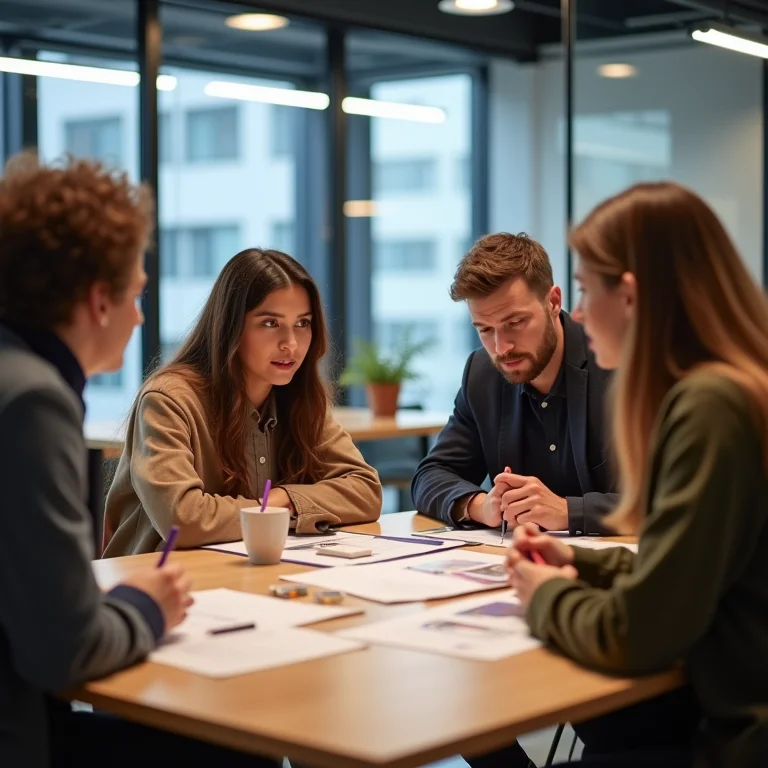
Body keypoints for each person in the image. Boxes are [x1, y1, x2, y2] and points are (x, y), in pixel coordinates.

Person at [0, 153, 277, 767]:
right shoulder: (32, 403)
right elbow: (63, 649)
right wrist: (148, 604)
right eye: (136, 294)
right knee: (241, 739)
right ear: (101, 300)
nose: (139, 316)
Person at [507, 182, 768, 767]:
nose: (575, 313)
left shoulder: (710, 406)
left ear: (628, 295)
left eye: (583, 290)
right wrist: (581, 561)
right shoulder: (740, 386)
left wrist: (548, 595)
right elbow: (695, 566)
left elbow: (636, 633)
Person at [103, 248, 382, 557]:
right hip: (158, 584)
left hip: (255, 575)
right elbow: (182, 520)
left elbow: (366, 491)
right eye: (270, 323)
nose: (290, 343)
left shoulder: (300, 397)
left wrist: (282, 500)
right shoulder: (168, 400)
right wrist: (278, 509)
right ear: (230, 326)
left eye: (302, 323)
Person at [411, 233, 617, 539]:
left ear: (553, 301)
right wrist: (482, 506)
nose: (501, 347)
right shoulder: (482, 373)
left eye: (515, 323)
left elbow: (662, 499)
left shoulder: (614, 363)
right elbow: (431, 475)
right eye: (484, 329)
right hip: (513, 566)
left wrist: (567, 511)